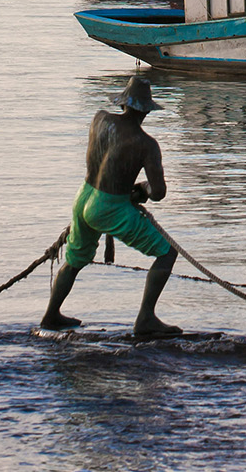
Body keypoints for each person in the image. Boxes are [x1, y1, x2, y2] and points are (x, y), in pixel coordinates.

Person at [39, 74, 181, 338]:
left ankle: (51, 315)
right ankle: (146, 319)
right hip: (109, 206)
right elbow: (158, 192)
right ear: (146, 112)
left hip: (83, 196)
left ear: (123, 104)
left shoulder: (99, 119)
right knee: (167, 254)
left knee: (74, 260)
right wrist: (143, 190)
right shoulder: (146, 144)